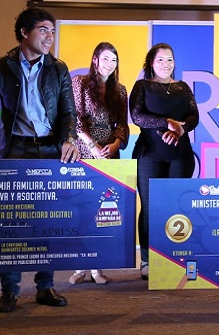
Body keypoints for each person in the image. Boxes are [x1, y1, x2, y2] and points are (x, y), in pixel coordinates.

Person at [0, 6, 78, 313]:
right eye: (43, 30)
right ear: (24, 33)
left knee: (48, 221)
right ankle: (9, 290)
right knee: (11, 222)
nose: (50, 37)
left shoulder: (58, 68)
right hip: (15, 150)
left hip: (50, 150)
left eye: (52, 31)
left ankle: (45, 286)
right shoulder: (3, 66)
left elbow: (68, 111)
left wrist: (69, 138)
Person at [129, 43, 199, 281]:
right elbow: (137, 116)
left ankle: (172, 258)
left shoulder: (183, 88)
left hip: (181, 155)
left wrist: (180, 129)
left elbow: (194, 116)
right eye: (160, 59)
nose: (165, 64)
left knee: (175, 207)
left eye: (170, 60)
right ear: (151, 62)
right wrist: (167, 122)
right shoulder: (143, 86)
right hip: (149, 155)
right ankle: (148, 260)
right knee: (150, 208)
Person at [68, 42, 130, 286]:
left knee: (103, 211)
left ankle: (97, 266)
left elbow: (122, 124)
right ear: (95, 59)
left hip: (109, 154)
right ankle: (79, 267)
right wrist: (92, 146)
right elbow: (76, 120)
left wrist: (115, 145)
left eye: (114, 60)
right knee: (81, 209)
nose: (110, 64)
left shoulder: (120, 90)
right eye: (105, 58)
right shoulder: (80, 83)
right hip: (84, 151)